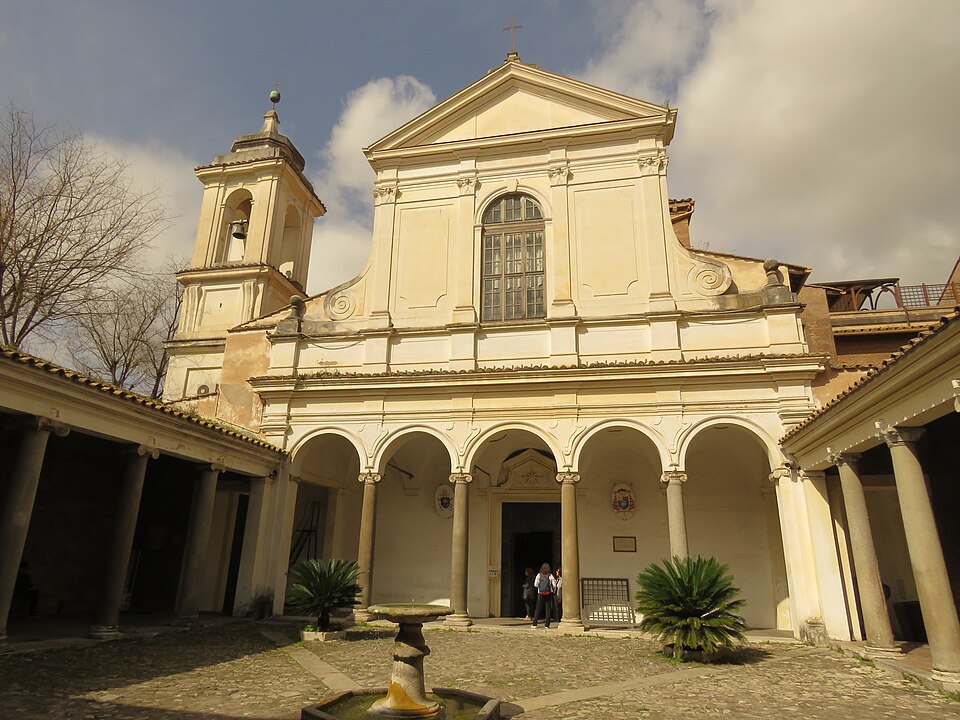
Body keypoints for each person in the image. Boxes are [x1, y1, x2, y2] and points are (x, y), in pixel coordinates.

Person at [531, 562, 557, 629]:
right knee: (548, 610)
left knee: (537, 609)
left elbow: (535, 584)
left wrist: (540, 586)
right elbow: (554, 585)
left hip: (540, 594)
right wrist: (553, 590)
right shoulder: (550, 576)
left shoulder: (539, 575)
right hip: (548, 594)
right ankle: (547, 625)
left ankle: (534, 624)